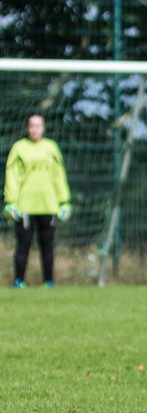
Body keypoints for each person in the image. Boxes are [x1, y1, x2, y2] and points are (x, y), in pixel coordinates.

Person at [4, 114, 73, 289]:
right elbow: (12, 176)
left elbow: (59, 176)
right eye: (31, 126)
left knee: (47, 246)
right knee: (23, 245)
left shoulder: (51, 148)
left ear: (43, 127)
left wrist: (64, 201)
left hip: (48, 205)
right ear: (27, 128)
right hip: (24, 206)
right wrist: (10, 201)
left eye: (38, 125)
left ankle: (49, 281)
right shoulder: (19, 148)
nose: (34, 129)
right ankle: (19, 280)